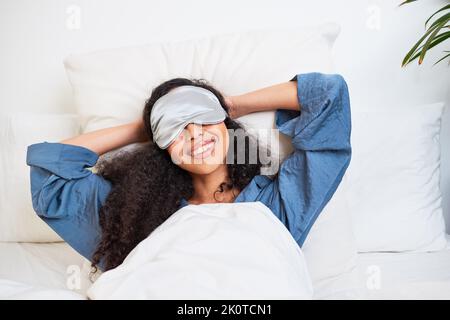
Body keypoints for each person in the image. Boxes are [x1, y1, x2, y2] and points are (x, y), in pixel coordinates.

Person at [26, 72, 352, 272]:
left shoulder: (280, 203)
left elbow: (329, 96)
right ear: (162, 146)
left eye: (203, 117)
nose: (195, 134)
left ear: (226, 122)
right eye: (175, 129)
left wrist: (234, 104)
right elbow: (50, 177)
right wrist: (141, 130)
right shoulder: (136, 217)